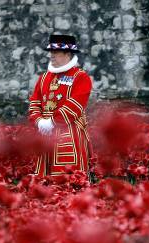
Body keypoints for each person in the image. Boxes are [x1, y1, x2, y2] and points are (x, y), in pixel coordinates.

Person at [28, 34, 93, 177]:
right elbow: (34, 103)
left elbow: (75, 106)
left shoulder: (80, 77)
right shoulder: (44, 77)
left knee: (71, 180)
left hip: (70, 134)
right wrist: (39, 122)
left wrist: (52, 122)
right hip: (45, 134)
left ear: (68, 54)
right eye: (51, 52)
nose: (51, 56)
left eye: (55, 53)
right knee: (44, 181)